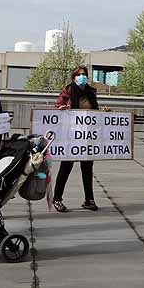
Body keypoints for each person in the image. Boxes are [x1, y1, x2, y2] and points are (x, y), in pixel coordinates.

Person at [51, 66, 102, 212]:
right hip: (71, 136)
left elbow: (95, 112)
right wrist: (61, 109)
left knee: (87, 169)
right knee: (66, 167)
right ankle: (57, 199)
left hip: (87, 137)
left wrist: (104, 113)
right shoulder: (68, 91)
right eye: (79, 75)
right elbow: (58, 106)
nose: (82, 77)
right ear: (73, 77)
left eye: (84, 74)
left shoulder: (91, 92)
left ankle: (89, 199)